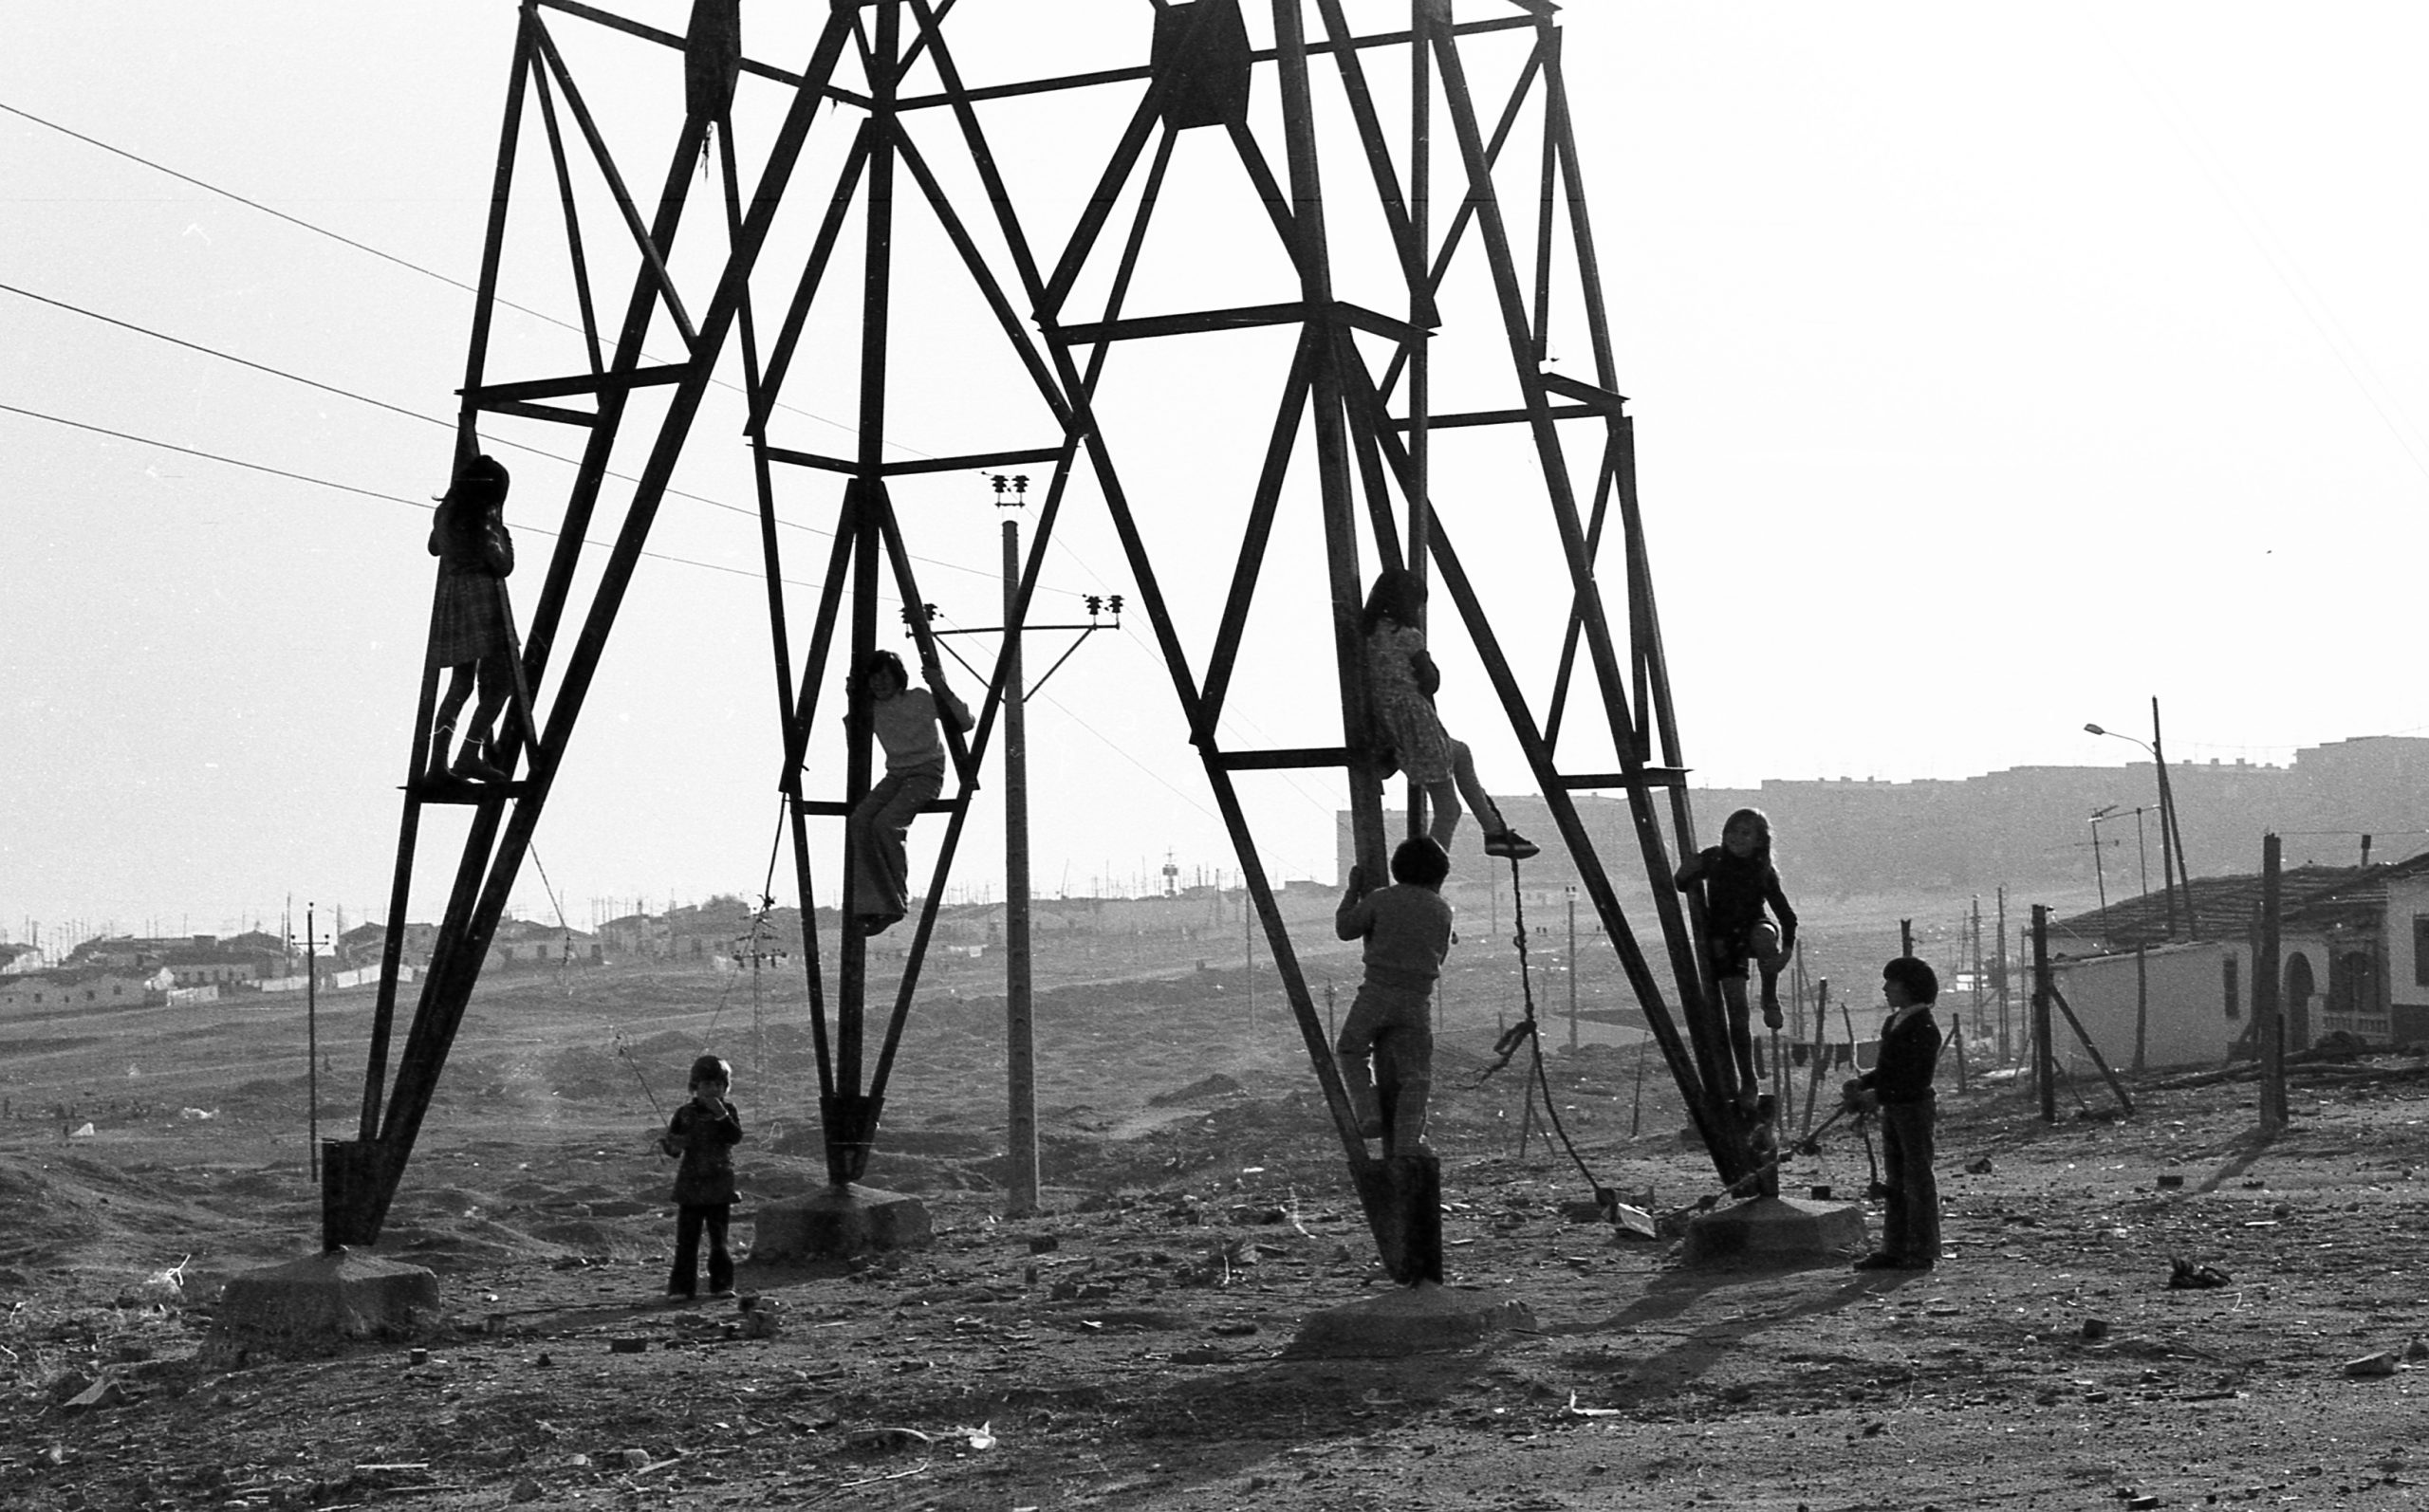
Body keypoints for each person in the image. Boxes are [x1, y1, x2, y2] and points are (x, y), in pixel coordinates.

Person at [1359, 568, 1537, 861]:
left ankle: (1494, 831)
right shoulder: (1407, 636)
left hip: (1388, 724)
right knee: (1448, 809)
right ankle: (1425, 878)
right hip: (1417, 722)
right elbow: (1431, 681)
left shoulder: (1367, 634)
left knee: (1461, 753)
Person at [1333, 836, 1455, 1154]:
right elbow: (1440, 956)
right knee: (1415, 1076)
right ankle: (1407, 1143)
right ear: (1439, 876)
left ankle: (1369, 1111)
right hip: (1417, 998)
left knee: (1350, 1050)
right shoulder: (1443, 910)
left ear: (1396, 869)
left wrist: (1353, 892)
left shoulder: (1380, 898)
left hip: (1376, 992)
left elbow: (1346, 929)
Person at [1675, 806, 1798, 1109]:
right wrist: (1686, 869)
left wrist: (1786, 952)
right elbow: (1680, 882)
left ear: (1759, 840)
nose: (1737, 838)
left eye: (1746, 833)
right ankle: (1749, 1079)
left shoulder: (1763, 871)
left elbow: (1786, 916)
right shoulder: (1714, 859)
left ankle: (1770, 997)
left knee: (1765, 936)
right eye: (1733, 830)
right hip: (1724, 939)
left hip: (1754, 929)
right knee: (1737, 1015)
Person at [849, 650, 973, 937]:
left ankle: (894, 903)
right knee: (859, 820)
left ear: (897, 678)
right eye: (873, 678)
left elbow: (965, 721)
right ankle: (872, 902)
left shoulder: (918, 699)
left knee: (886, 824)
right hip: (896, 775)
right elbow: (854, 746)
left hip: (926, 773)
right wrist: (851, 700)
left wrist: (939, 686)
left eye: (885, 677)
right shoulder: (870, 707)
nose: (879, 684)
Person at [1843, 957, 1943, 1271]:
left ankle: (1922, 1250)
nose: (1886, 989)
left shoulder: (1925, 1028)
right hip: (1896, 1109)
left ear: (1909, 988)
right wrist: (1864, 1082)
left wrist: (1878, 1094)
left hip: (1913, 1109)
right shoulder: (1895, 1022)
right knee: (1896, 1179)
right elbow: (1890, 1071)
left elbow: (1915, 1079)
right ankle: (1895, 1248)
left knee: (1916, 1179)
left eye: (1892, 983)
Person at [425, 453, 519, 784]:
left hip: (454, 595)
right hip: (481, 597)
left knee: (460, 685)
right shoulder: (483, 521)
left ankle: (438, 762)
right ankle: (469, 752)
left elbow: (434, 547)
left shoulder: (447, 512)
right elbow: (502, 565)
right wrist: (503, 534)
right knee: (502, 683)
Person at [659, 1053, 744, 1300]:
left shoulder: (728, 1111)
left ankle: (722, 1285)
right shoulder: (684, 1113)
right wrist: (673, 1145)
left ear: (725, 1088)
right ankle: (681, 1288)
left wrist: (721, 1116)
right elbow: (674, 1149)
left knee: (719, 1240)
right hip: (691, 1185)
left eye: (718, 1085)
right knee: (687, 1240)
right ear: (695, 1087)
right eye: (707, 1084)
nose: (713, 1089)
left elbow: (734, 1137)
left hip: (719, 1184)